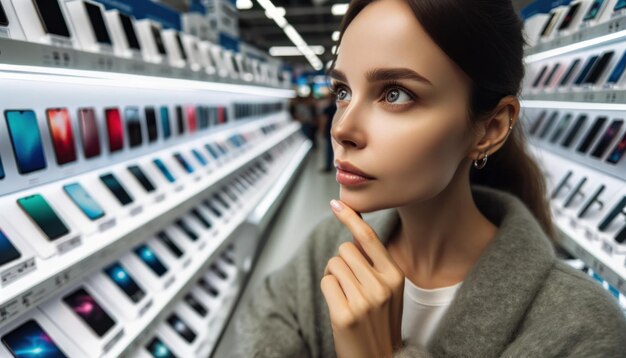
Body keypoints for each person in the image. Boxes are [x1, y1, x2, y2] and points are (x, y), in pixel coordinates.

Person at [234, 0, 626, 356]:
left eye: (395, 94)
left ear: (489, 129)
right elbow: (260, 322)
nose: (341, 128)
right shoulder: (328, 247)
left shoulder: (582, 329)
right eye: (342, 91)